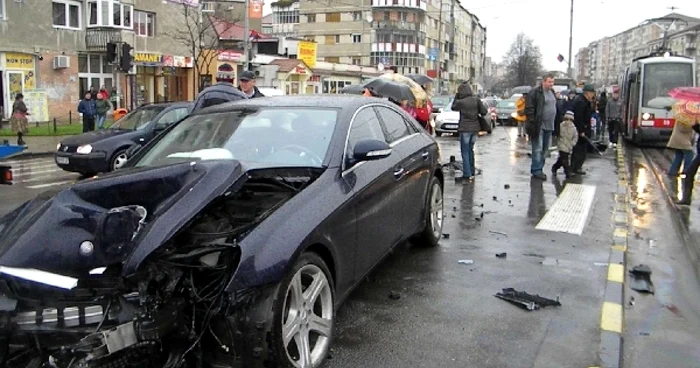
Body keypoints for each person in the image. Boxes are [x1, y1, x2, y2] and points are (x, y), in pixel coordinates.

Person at [525, 73, 557, 180]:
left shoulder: (552, 92)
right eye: (549, 82)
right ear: (543, 82)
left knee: (545, 149)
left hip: (550, 125)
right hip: (539, 125)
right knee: (537, 148)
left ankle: (540, 167)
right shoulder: (535, 92)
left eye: (552, 82)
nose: (551, 84)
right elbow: (529, 108)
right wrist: (532, 122)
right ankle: (536, 170)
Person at [452, 82, 487, 182]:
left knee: (465, 152)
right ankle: (471, 171)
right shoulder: (476, 100)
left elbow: (453, 107)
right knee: (471, 150)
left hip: (465, 129)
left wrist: (456, 96)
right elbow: (484, 112)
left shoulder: (461, 102)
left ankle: (467, 175)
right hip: (475, 129)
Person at [570, 84, 596, 175]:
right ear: (587, 93)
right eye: (592, 93)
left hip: (584, 128)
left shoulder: (585, 101)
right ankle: (574, 168)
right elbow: (578, 117)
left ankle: (577, 167)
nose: (593, 95)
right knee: (578, 150)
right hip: (580, 130)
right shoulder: (580, 102)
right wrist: (581, 130)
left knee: (582, 150)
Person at [666, 106, 695, 177]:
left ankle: (672, 172)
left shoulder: (682, 115)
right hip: (682, 141)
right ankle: (687, 171)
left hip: (679, 140)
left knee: (679, 156)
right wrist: (692, 126)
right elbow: (683, 129)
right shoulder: (684, 117)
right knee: (689, 154)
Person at [551, 110, 578, 179]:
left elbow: (575, 137)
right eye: (566, 119)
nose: (568, 121)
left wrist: (573, 143)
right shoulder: (561, 126)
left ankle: (555, 167)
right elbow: (557, 134)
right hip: (562, 145)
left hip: (569, 146)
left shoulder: (574, 128)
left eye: (570, 119)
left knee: (561, 159)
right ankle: (567, 172)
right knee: (565, 159)